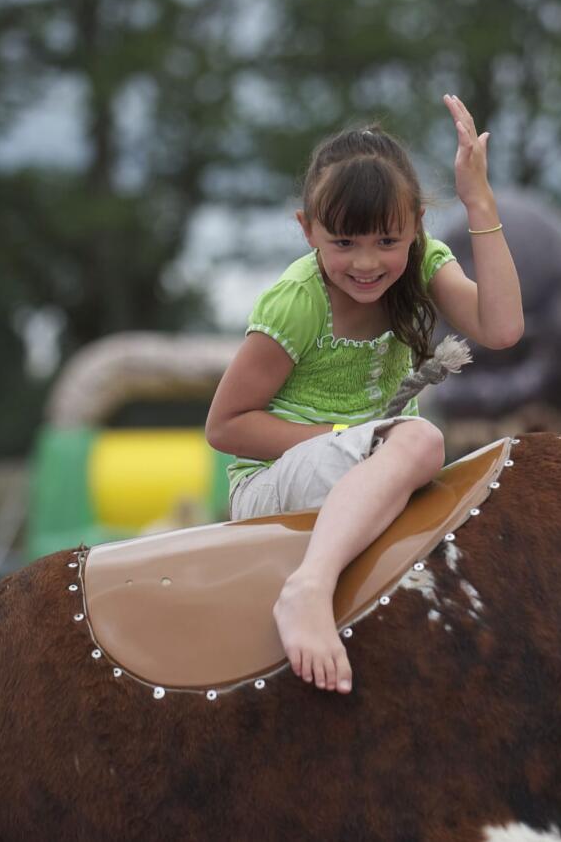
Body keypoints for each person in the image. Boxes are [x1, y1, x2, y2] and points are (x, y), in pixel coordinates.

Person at [206, 95, 523, 695]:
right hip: (275, 484)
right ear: (307, 229)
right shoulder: (299, 302)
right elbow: (225, 426)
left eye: (387, 240)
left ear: (416, 227)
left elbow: (502, 329)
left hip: (370, 471)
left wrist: (478, 200)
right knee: (424, 439)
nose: (368, 262)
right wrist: (346, 441)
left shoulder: (425, 263)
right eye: (344, 242)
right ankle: (308, 589)